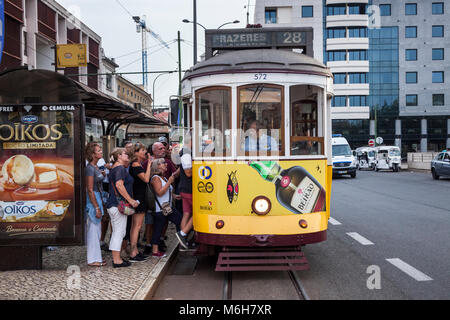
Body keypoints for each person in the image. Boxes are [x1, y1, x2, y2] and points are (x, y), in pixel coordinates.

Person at [106, 148, 139, 268]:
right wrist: (130, 200)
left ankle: (117, 257)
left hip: (114, 204)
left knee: (118, 232)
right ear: (119, 156)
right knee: (118, 233)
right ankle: (116, 260)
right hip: (117, 204)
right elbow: (119, 185)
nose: (128, 155)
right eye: (125, 154)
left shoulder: (116, 168)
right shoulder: (120, 168)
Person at [150, 158, 181, 257]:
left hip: (168, 207)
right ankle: (155, 251)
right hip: (160, 208)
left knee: (180, 220)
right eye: (163, 163)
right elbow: (159, 193)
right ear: (157, 166)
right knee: (158, 228)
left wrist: (174, 196)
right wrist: (169, 182)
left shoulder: (163, 177)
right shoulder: (155, 178)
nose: (166, 164)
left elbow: (166, 192)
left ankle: (182, 239)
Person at [128, 142, 152, 262]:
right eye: (143, 150)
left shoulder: (135, 164)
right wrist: (149, 164)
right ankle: (133, 252)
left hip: (137, 196)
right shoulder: (136, 165)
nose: (145, 152)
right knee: (137, 226)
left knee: (135, 226)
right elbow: (146, 179)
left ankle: (135, 250)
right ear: (136, 152)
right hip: (138, 197)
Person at [85, 142, 106, 267]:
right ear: (93, 154)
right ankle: (92, 259)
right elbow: (90, 189)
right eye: (98, 150)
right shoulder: (89, 168)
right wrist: (96, 206)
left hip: (99, 197)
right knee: (93, 229)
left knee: (97, 230)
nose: (101, 152)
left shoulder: (96, 167)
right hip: (93, 199)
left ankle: (96, 256)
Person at [176, 137, 193, 250]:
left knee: (186, 213)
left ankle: (183, 241)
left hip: (184, 188)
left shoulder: (184, 152)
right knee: (197, 213)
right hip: (189, 188)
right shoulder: (186, 153)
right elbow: (188, 172)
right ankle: (182, 234)